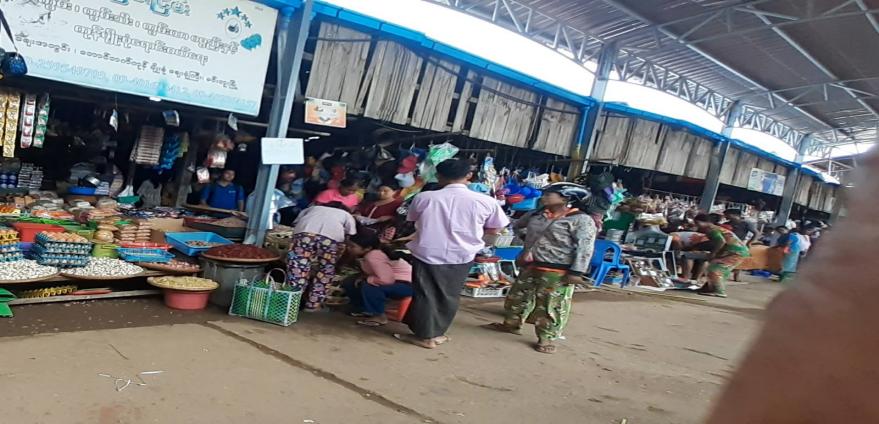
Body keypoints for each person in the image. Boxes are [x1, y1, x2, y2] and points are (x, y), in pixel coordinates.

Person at [396, 159, 510, 349]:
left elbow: (413, 219)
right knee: (450, 294)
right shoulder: (486, 201)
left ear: (438, 176)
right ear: (469, 176)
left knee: (426, 293)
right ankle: (436, 332)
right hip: (463, 254)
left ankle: (426, 336)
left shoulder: (425, 198)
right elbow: (496, 228)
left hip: (428, 252)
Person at [486, 183, 597, 354]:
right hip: (531, 264)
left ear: (566, 199)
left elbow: (585, 248)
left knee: (550, 305)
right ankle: (511, 325)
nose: (543, 197)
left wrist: (576, 272)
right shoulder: (536, 214)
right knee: (517, 297)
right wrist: (526, 245)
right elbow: (516, 225)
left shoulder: (581, 220)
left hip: (557, 270)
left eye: (549, 194)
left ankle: (546, 337)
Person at [287, 201, 357, 311]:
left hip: (304, 235)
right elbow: (351, 234)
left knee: (297, 269)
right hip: (331, 240)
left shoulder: (313, 208)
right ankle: (313, 305)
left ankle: (290, 303)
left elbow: (296, 222)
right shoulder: (346, 215)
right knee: (326, 271)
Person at [342, 232, 413, 327]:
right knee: (350, 281)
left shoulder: (373, 256)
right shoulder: (368, 254)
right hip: (394, 279)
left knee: (370, 287)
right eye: (348, 245)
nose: (348, 248)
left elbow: (386, 279)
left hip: (407, 284)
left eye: (352, 246)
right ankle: (362, 308)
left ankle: (379, 316)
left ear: (367, 248)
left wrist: (368, 279)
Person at [693, 213, 751, 298]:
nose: (697, 225)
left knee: (715, 270)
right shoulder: (715, 229)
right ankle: (709, 288)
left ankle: (719, 291)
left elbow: (721, 242)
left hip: (735, 252)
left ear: (705, 222)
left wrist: (713, 253)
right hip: (735, 251)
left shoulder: (712, 230)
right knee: (715, 267)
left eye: (697, 223)